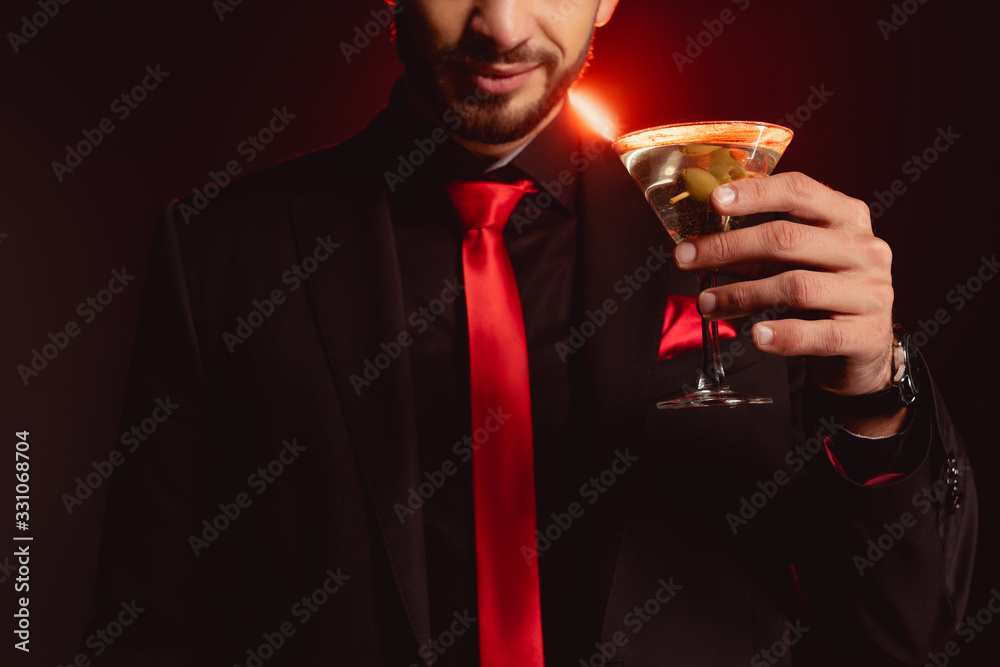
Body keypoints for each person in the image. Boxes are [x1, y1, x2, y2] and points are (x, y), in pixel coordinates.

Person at [91, 1, 976, 665]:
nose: (502, 26)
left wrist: (875, 393)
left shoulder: (746, 242)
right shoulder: (218, 254)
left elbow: (907, 634)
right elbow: (148, 633)